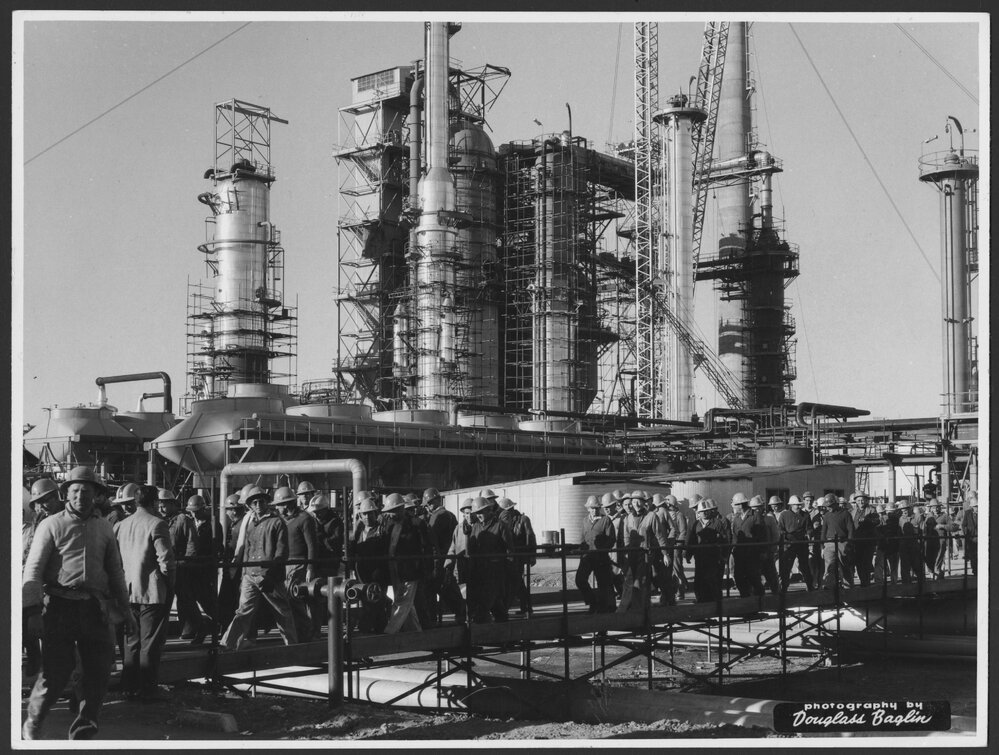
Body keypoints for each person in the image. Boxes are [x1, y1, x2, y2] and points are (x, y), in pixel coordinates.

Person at [22, 466, 136, 740]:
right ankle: (33, 725)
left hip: (94, 609)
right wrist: (33, 611)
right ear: (66, 493)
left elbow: (116, 571)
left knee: (97, 674)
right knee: (55, 676)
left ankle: (83, 732)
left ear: (97, 495)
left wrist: (126, 610)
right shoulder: (51, 525)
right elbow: (34, 570)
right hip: (60, 607)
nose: (80, 495)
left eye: (86, 491)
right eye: (74, 490)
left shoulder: (105, 528)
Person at [113, 484, 175, 701]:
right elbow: (165, 560)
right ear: (154, 502)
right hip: (151, 592)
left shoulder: (121, 526)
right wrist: (170, 584)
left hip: (127, 592)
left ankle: (128, 686)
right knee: (150, 644)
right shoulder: (157, 524)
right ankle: (147, 690)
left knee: (131, 642)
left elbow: (115, 561)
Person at [220, 487, 298, 650]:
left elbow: (282, 552)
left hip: (268, 576)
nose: (258, 504)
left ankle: (292, 646)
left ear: (267, 502)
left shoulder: (277, 523)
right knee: (243, 612)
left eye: (261, 501)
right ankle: (227, 644)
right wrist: (243, 576)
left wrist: (271, 575)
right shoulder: (251, 524)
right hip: (250, 575)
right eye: (254, 502)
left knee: (282, 611)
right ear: (249, 505)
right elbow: (248, 550)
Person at [382, 493, 433, 633]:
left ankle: (390, 632)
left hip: (410, 570)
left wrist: (427, 569)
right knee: (408, 603)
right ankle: (415, 632)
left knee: (402, 601)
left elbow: (427, 548)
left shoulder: (417, 524)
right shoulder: (390, 525)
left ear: (401, 509)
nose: (390, 514)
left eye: (392, 511)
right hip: (395, 568)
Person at [273, 485, 318, 642]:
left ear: (286, 504)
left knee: (294, 599)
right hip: (284, 565)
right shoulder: (282, 521)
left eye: (279, 505)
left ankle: (305, 635)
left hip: (299, 564)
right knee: (288, 601)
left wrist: (310, 568)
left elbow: (312, 545)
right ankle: (297, 635)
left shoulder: (304, 519)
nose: (277, 508)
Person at [466, 496, 515, 623]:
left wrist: (507, 571)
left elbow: (510, 550)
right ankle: (504, 633)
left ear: (489, 510)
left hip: (495, 572)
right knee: (495, 605)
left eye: (481, 512)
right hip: (480, 572)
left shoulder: (500, 526)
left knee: (485, 604)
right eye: (477, 513)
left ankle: (481, 632)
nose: (479, 515)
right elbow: (471, 550)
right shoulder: (476, 527)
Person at [158, 489, 198, 639]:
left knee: (184, 599)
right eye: (160, 505)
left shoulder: (182, 519)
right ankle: (184, 629)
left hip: (180, 566)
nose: (161, 508)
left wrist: (186, 563)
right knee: (168, 600)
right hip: (167, 565)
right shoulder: (162, 520)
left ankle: (192, 628)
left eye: (164, 505)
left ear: (173, 504)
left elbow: (191, 542)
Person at [349, 496, 390, 633]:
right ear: (360, 515)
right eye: (364, 514)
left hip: (378, 574)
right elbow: (353, 549)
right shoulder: (359, 531)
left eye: (369, 513)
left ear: (375, 514)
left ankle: (371, 630)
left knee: (377, 602)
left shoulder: (381, 531)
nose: (367, 517)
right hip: (363, 573)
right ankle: (375, 630)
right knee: (367, 603)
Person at [306, 493, 344, 636]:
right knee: (314, 598)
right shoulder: (314, 521)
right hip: (317, 565)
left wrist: (318, 538)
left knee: (330, 599)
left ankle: (333, 631)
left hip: (329, 565)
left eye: (318, 512)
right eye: (314, 512)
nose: (316, 515)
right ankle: (315, 629)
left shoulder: (336, 522)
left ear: (325, 509)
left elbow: (333, 544)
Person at [425, 488, 465, 623]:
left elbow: (432, 542)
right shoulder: (450, 515)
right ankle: (460, 614)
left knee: (436, 590)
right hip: (449, 558)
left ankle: (432, 620)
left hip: (438, 560)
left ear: (437, 500)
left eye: (430, 502)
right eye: (428, 503)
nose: (429, 506)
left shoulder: (436, 517)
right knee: (449, 588)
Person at [183, 494, 217, 644]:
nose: (194, 513)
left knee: (206, 601)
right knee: (189, 599)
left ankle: (214, 627)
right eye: (192, 511)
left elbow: (215, 546)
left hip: (204, 569)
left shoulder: (213, 524)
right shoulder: (191, 523)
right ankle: (202, 627)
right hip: (192, 568)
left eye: (196, 511)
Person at [575, 496, 617, 613]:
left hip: (600, 558)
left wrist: (603, 549)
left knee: (603, 584)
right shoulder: (585, 521)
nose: (594, 510)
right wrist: (581, 551)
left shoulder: (606, 520)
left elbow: (611, 539)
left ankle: (602, 610)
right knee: (580, 579)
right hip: (587, 557)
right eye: (592, 508)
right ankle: (592, 601)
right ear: (588, 508)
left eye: (597, 508)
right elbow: (582, 539)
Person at [685, 498, 731, 603]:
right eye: (702, 511)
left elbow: (725, 540)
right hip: (700, 557)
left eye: (707, 511)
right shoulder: (696, 524)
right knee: (699, 581)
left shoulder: (717, 523)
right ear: (698, 513)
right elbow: (692, 539)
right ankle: (701, 601)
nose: (704, 513)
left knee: (712, 581)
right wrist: (688, 553)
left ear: (710, 511)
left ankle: (716, 604)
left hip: (713, 558)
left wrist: (724, 555)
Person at [497, 497, 537, 616]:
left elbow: (530, 536)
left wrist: (532, 556)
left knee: (516, 582)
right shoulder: (505, 521)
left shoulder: (523, 519)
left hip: (519, 556)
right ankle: (525, 607)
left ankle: (525, 607)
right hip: (511, 556)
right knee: (516, 582)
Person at [217, 494, 246, 629]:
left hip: (238, 568)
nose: (234, 512)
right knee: (226, 599)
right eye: (231, 509)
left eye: (238, 509)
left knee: (233, 599)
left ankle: (229, 629)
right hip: (230, 566)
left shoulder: (243, 524)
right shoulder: (233, 524)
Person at [777, 495, 812, 591]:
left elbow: (809, 528)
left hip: (802, 544)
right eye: (796, 505)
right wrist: (787, 536)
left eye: (799, 505)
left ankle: (810, 586)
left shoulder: (805, 515)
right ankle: (784, 588)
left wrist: (808, 534)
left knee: (805, 566)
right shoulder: (784, 515)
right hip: (789, 545)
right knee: (786, 568)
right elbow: (780, 529)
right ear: (791, 505)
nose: (799, 506)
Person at [821, 494, 855, 589]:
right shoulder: (827, 516)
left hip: (842, 542)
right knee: (829, 567)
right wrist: (822, 546)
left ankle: (848, 589)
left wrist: (849, 543)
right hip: (829, 543)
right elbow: (824, 531)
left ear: (836, 504)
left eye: (830, 506)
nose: (828, 508)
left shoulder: (845, 514)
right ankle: (829, 590)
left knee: (845, 567)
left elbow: (851, 529)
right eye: (827, 506)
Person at [729, 492, 758, 597]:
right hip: (740, 554)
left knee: (753, 578)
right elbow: (735, 536)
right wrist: (733, 549)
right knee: (738, 576)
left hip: (752, 554)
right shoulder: (736, 519)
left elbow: (761, 535)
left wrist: (763, 551)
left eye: (735, 504)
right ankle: (745, 598)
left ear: (740, 505)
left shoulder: (755, 516)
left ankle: (759, 601)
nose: (733, 506)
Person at [874, 501, 901, 584]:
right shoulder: (882, 519)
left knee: (893, 565)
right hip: (882, 545)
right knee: (879, 564)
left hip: (893, 545)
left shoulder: (898, 520)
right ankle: (879, 582)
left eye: (892, 512)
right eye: (889, 512)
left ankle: (894, 582)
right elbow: (877, 530)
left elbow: (899, 532)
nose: (890, 514)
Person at [962, 494, 978, 575]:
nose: (977, 508)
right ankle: (975, 570)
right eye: (975, 506)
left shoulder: (982, 513)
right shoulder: (967, 513)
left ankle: (978, 570)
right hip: (971, 538)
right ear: (972, 507)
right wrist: (966, 534)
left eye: (977, 506)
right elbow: (963, 525)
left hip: (979, 537)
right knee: (973, 555)